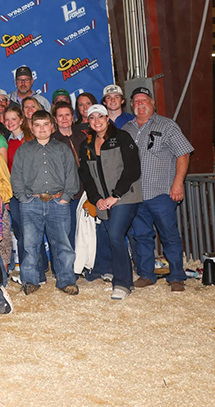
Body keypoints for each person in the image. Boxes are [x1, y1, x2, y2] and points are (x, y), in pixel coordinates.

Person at [122, 87, 194, 292]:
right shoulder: (127, 128)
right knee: (142, 236)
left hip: (162, 192)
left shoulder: (167, 125)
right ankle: (146, 274)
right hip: (136, 194)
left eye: (144, 100)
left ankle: (177, 276)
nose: (139, 104)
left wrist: (178, 183)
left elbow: (184, 154)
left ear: (153, 103)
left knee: (169, 235)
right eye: (135, 101)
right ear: (131, 105)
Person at [11, 110, 80, 296]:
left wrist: (66, 196)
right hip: (31, 202)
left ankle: (66, 280)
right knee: (30, 244)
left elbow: (72, 174)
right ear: (31, 128)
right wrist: (23, 197)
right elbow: (16, 175)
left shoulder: (62, 149)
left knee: (63, 243)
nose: (42, 129)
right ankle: (30, 280)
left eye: (45, 124)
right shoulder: (24, 150)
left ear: (52, 126)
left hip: (58, 201)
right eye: (37, 125)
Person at [79, 104, 142, 300]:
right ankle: (120, 275)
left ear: (108, 118)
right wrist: (96, 199)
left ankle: (122, 284)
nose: (97, 121)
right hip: (103, 201)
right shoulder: (86, 145)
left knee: (115, 234)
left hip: (125, 196)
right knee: (111, 236)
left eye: (101, 116)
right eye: (92, 118)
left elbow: (133, 169)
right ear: (88, 122)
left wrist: (115, 195)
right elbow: (86, 176)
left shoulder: (122, 138)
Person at [50, 101, 87, 251]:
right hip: (63, 193)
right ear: (55, 119)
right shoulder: (52, 141)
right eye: (60, 116)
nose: (64, 119)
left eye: (67, 115)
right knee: (66, 232)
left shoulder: (83, 138)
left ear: (73, 117)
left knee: (85, 231)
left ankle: (86, 265)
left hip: (85, 191)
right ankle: (70, 267)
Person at [3, 106, 34, 277]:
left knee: (31, 231)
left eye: (13, 119)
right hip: (14, 193)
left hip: (30, 192)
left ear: (21, 120)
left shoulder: (29, 139)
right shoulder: (8, 142)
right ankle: (24, 265)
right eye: (6, 119)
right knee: (19, 230)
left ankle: (33, 266)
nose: (10, 122)